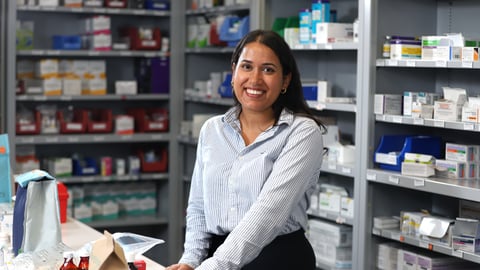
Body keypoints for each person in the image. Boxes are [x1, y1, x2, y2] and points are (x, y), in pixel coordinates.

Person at [167, 29, 325, 270]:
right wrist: (190, 260)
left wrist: (214, 266)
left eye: (268, 69)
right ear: (233, 73)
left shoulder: (302, 132)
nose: (255, 80)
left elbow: (269, 213)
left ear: (285, 80)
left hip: (277, 259)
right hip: (216, 256)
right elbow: (199, 205)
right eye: (247, 67)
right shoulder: (212, 130)